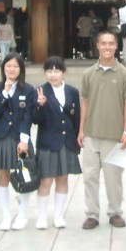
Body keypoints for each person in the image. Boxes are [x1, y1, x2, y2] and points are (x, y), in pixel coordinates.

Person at [77, 30, 126, 230]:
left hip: (114, 135)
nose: (107, 47)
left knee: (113, 178)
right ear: (98, 46)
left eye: (111, 43)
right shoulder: (88, 74)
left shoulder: (124, 74)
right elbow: (84, 102)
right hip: (91, 134)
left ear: (117, 46)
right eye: (104, 43)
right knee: (90, 177)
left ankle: (115, 212)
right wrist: (81, 130)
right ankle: (92, 214)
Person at [0, 52, 36, 230]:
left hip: (19, 138)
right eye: (8, 66)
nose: (12, 69)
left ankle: (22, 215)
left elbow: (27, 116)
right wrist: (5, 92)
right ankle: (6, 216)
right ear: (3, 68)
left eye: (15, 66)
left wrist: (24, 139)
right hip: (1, 137)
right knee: (3, 176)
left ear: (21, 69)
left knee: (24, 175)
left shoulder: (28, 90)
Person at [32, 56, 81, 229]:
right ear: (45, 72)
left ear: (63, 72)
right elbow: (35, 120)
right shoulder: (39, 91)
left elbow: (76, 118)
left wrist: (77, 140)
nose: (53, 75)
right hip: (48, 142)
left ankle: (59, 215)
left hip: (66, 141)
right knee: (46, 180)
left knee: (63, 179)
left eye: (56, 70)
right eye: (49, 71)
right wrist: (40, 105)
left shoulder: (72, 92)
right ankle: (42, 216)